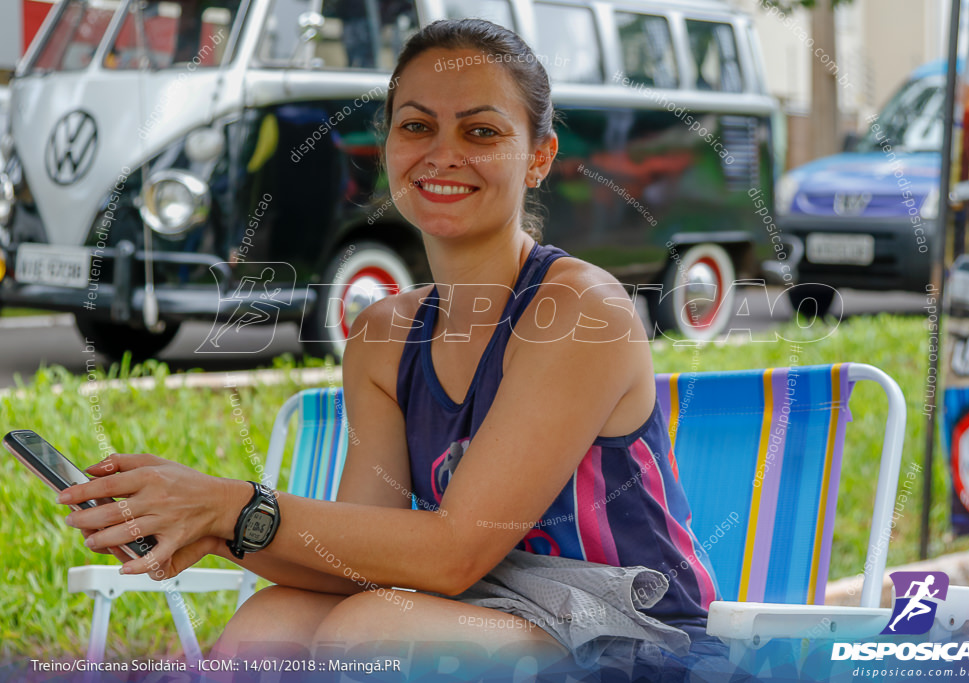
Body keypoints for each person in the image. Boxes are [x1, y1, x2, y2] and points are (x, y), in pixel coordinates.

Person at [61, 18, 730, 680]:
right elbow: (352, 560)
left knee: (371, 630)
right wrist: (208, 528)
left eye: (481, 131)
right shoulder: (383, 338)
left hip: (633, 633)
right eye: (416, 126)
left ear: (539, 157)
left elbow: (454, 552)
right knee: (270, 624)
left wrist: (229, 503)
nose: (443, 153)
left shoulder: (581, 309)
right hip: (484, 610)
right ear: (388, 147)